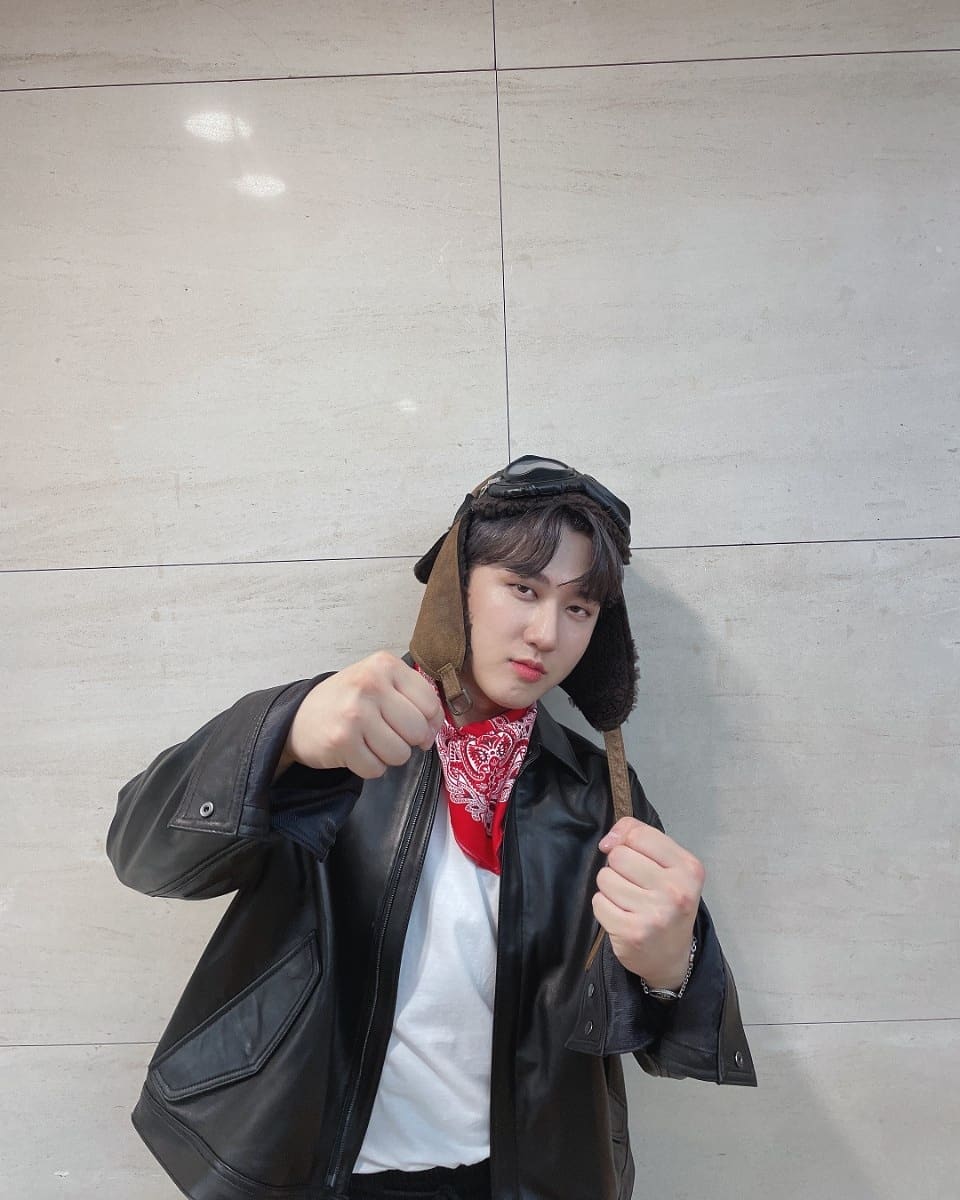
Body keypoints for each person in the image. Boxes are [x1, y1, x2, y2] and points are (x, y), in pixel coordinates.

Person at [107, 455, 756, 1200]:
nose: (546, 632)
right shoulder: (344, 730)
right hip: (319, 1169)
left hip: (513, 1176)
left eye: (578, 607)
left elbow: (652, 1036)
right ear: (458, 586)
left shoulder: (594, 790)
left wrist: (672, 967)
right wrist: (284, 734)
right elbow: (143, 856)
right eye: (523, 588)